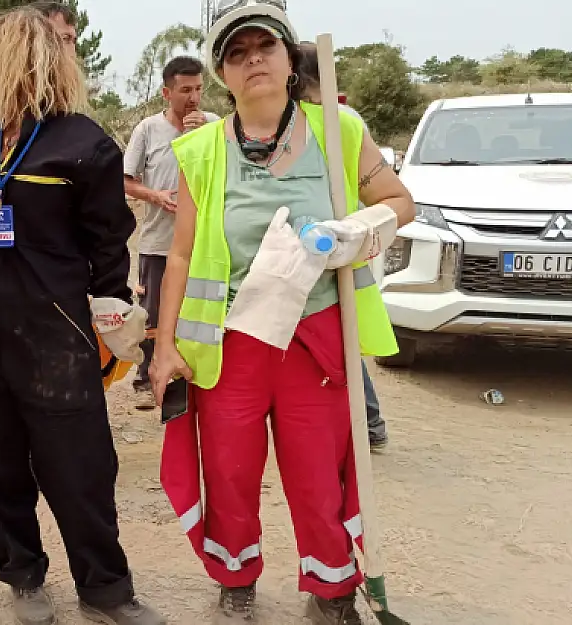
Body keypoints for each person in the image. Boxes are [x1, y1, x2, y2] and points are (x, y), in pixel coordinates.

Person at [149, 2, 414, 624]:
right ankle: (235, 575)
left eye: (263, 47)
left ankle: (330, 587)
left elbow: (400, 202)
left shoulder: (340, 129)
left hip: (315, 337)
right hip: (232, 342)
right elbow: (181, 254)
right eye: (236, 55)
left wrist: (361, 229)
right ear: (223, 73)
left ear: (289, 59)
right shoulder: (201, 150)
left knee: (318, 474)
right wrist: (165, 345)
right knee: (230, 471)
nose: (252, 61)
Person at [0, 7, 164, 625]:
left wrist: (113, 305)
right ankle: (22, 574)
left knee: (80, 470)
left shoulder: (84, 143)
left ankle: (106, 589)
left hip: (57, 336)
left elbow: (108, 240)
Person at [296, 40, 389, 453]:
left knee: (331, 346)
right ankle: (369, 422)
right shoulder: (344, 118)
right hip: (344, 244)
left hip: (319, 248)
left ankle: (363, 422)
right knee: (342, 344)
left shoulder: (317, 123)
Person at [123, 56, 220, 406]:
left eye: (198, 89)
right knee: (153, 310)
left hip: (201, 244)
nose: (193, 98)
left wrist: (200, 138)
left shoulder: (214, 127)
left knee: (197, 311)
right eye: (184, 90)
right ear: (167, 92)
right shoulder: (148, 129)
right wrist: (156, 195)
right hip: (158, 242)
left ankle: (194, 379)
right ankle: (148, 380)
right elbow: (126, 181)